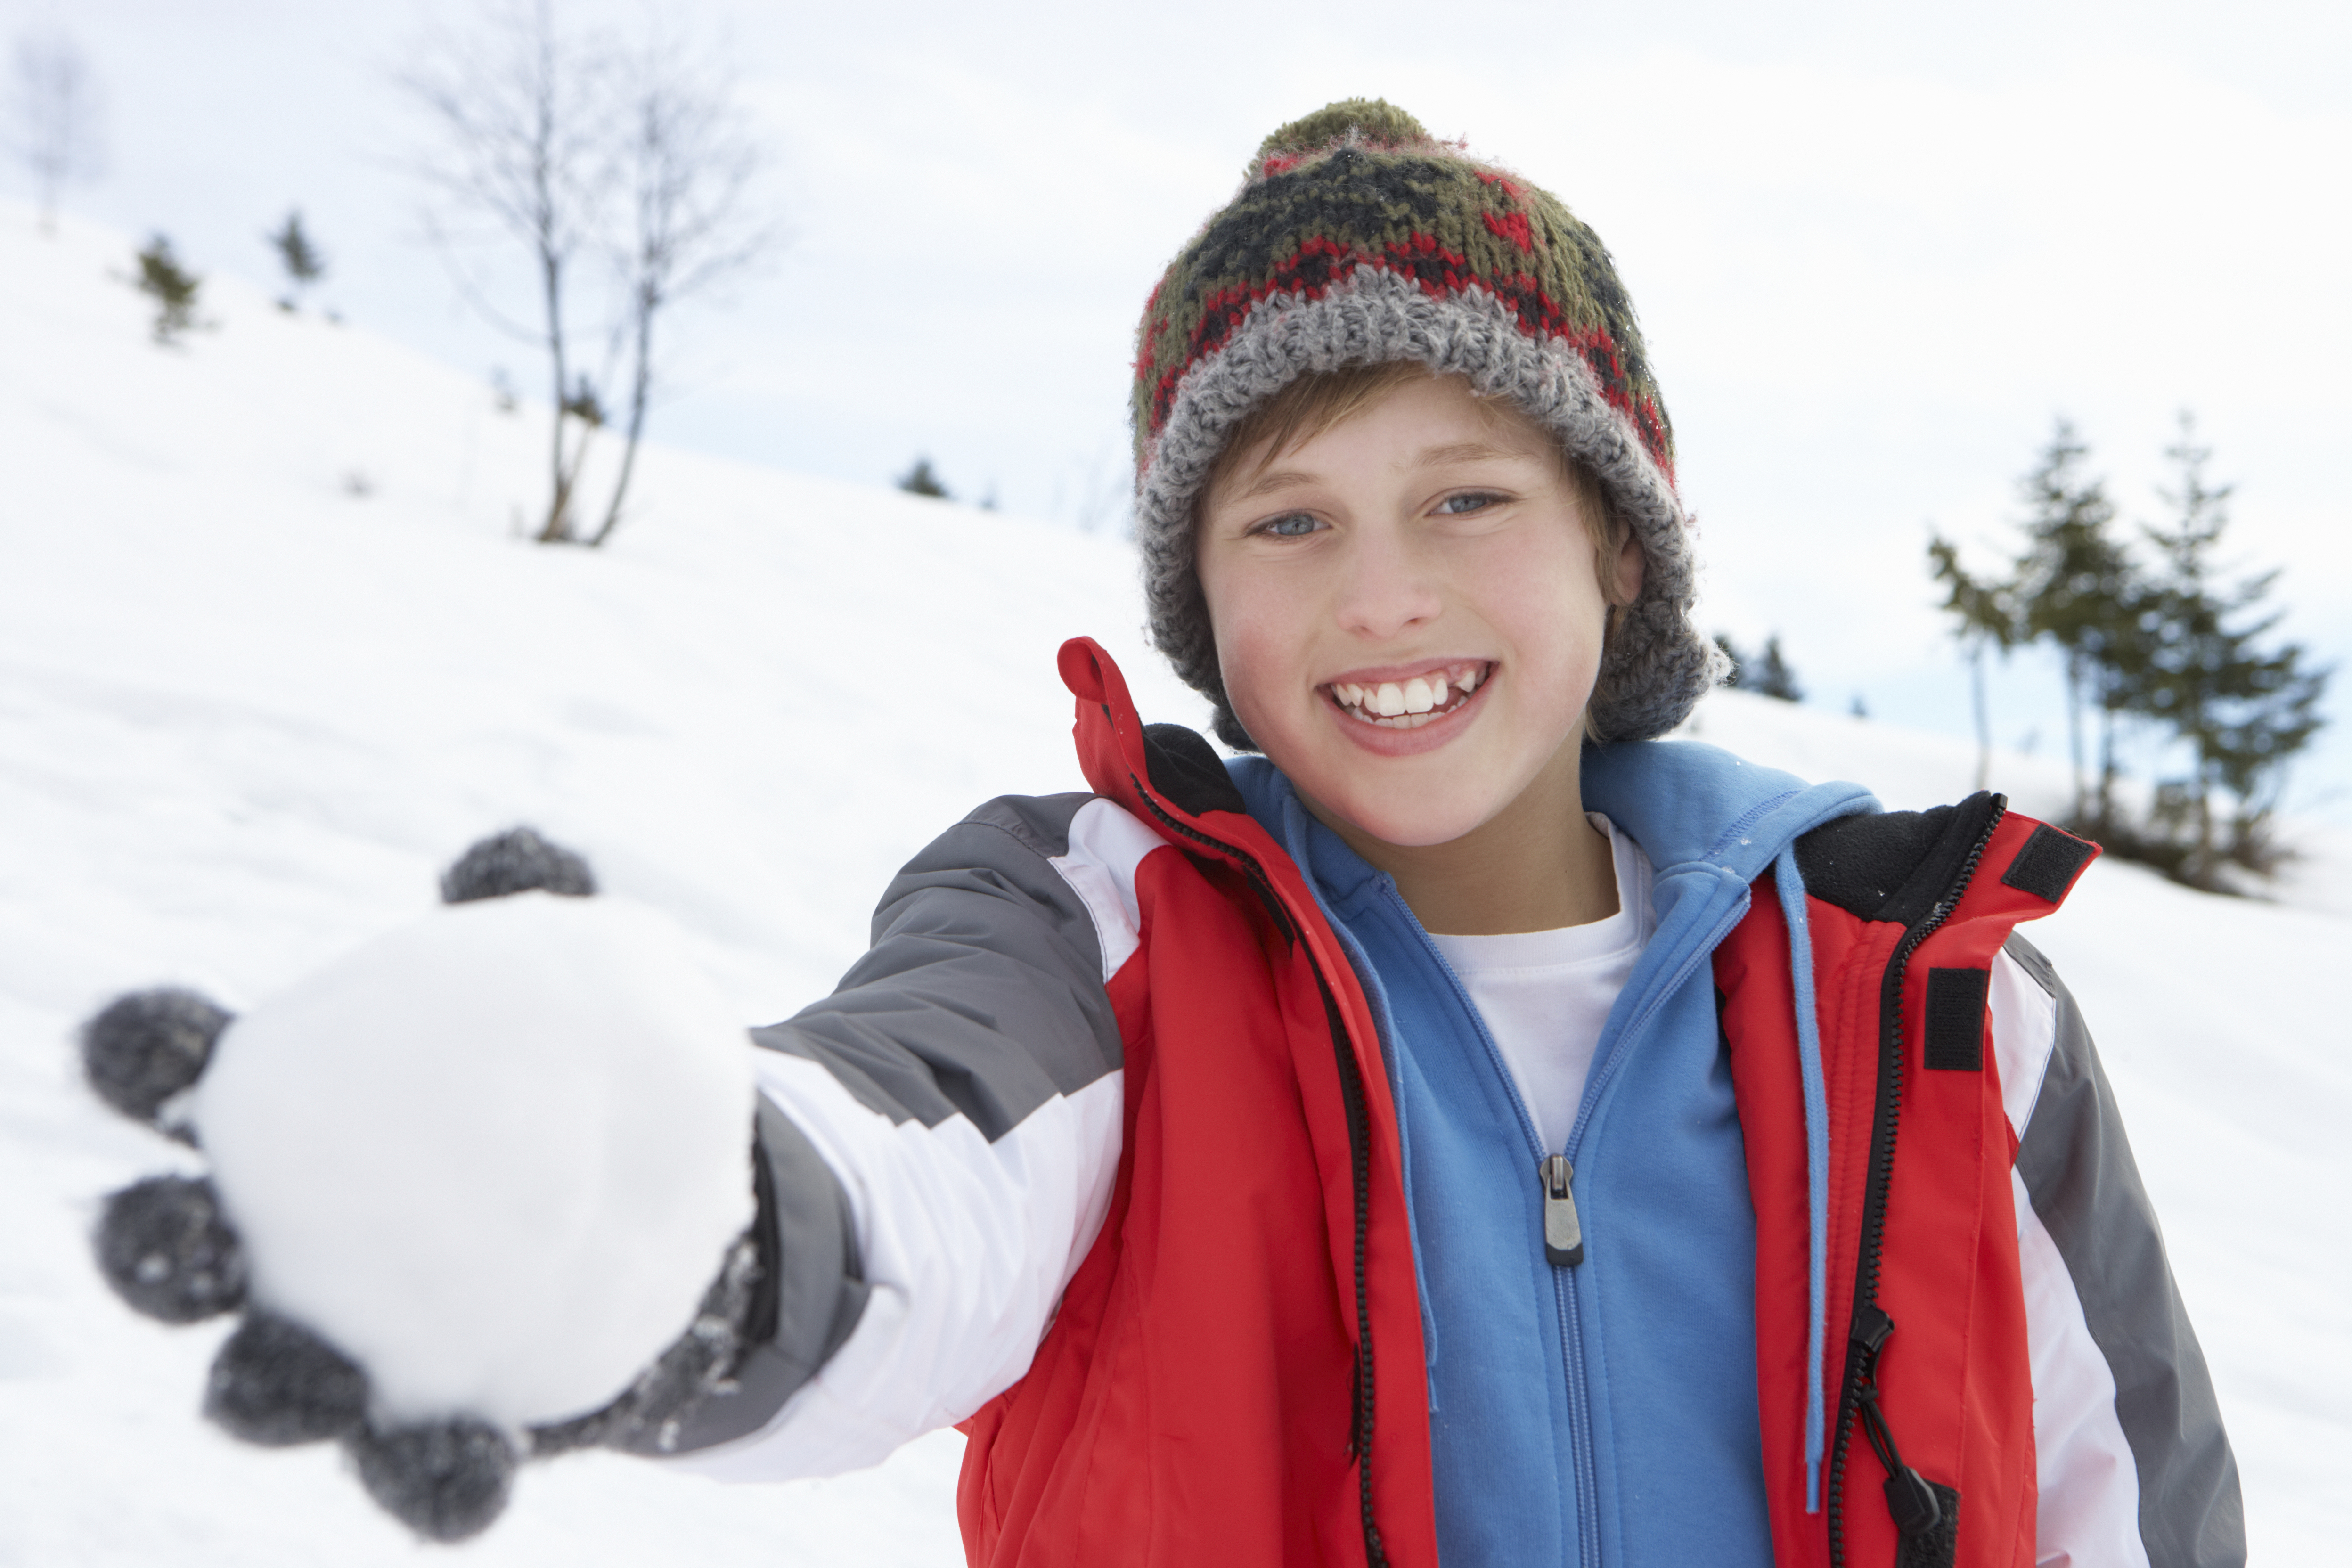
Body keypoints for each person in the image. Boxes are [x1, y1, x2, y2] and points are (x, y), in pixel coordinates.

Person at [89, 101, 2241, 1568]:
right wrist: (659, 1225)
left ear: (1621, 551)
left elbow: (2123, 1505)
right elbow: (909, 1162)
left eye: (1467, 495)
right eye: (1286, 519)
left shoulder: (1931, 1009)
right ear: (1203, 601)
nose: (1379, 593)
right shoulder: (1098, 931)